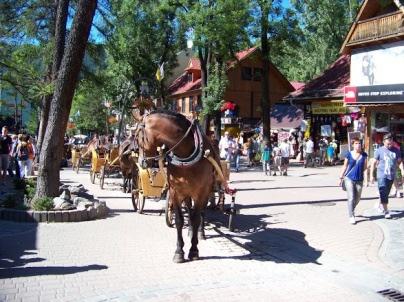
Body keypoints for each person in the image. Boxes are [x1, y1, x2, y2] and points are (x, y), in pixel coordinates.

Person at [371, 133, 402, 218]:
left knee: (385, 193)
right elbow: (373, 163)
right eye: (388, 143)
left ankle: (379, 204)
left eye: (391, 143)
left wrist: (402, 171)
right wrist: (371, 176)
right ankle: (386, 211)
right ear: (384, 142)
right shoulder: (379, 151)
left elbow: (399, 162)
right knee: (383, 191)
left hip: (391, 175)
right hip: (381, 175)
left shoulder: (396, 150)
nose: (389, 145)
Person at [339, 138, 368, 225]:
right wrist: (341, 176)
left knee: (358, 197)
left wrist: (367, 180)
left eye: (359, 143)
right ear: (353, 145)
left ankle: (351, 208)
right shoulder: (349, 154)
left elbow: (365, 169)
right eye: (356, 143)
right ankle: (351, 216)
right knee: (351, 197)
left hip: (359, 179)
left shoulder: (364, 155)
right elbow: (345, 166)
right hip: (349, 178)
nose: (358, 145)